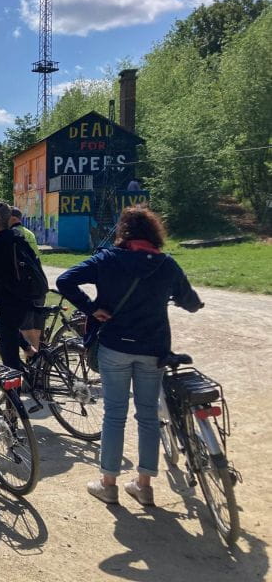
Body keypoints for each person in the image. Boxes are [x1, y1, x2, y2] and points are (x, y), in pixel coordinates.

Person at [57, 207, 202, 506]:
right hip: (153, 349)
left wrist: (90, 307)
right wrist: (194, 304)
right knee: (148, 415)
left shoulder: (107, 259)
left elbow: (65, 280)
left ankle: (108, 483)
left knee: (115, 415)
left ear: (124, 233)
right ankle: (144, 486)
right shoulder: (166, 264)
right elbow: (189, 302)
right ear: (154, 233)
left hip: (115, 347)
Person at [0, 201, 43, 371]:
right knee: (8, 327)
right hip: (29, 298)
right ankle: (30, 350)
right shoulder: (20, 239)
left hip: (10, 304)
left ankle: (13, 393)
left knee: (10, 359)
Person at [10, 206, 47, 354]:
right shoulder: (29, 233)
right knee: (36, 329)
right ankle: (36, 367)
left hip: (27, 288)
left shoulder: (13, 234)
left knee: (26, 330)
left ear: (12, 218)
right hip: (39, 285)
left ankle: (32, 367)